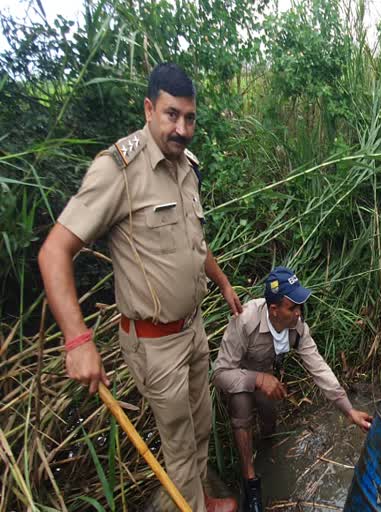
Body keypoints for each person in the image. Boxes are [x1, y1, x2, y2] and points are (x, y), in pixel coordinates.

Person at [38, 63, 241, 512]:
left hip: (193, 330)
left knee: (202, 426)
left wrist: (223, 283)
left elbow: (194, 243)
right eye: (171, 115)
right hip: (155, 344)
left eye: (189, 118)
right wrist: (78, 341)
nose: (182, 128)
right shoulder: (119, 170)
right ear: (149, 109)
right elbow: (54, 252)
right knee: (179, 442)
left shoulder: (186, 167)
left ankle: (199, 498)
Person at [212, 266, 373, 512]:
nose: (299, 313)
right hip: (238, 377)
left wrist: (349, 411)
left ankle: (266, 450)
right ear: (273, 309)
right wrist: (258, 379)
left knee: (269, 417)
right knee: (241, 405)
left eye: (300, 306)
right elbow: (220, 374)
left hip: (265, 379)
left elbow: (319, 368)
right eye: (292, 308)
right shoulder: (245, 320)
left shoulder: (296, 327)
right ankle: (250, 482)